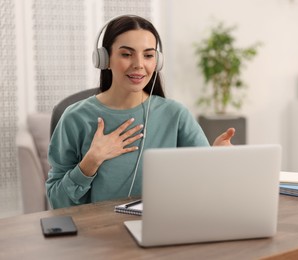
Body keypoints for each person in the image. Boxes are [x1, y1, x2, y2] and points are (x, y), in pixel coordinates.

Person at [46, 15, 235, 209]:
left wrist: (218, 161)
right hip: (98, 233)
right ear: (104, 59)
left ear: (157, 61)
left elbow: (204, 186)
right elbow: (57, 201)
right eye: (126, 54)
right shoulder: (75, 118)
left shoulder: (175, 115)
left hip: (163, 226)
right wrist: (91, 161)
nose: (138, 64)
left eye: (148, 55)